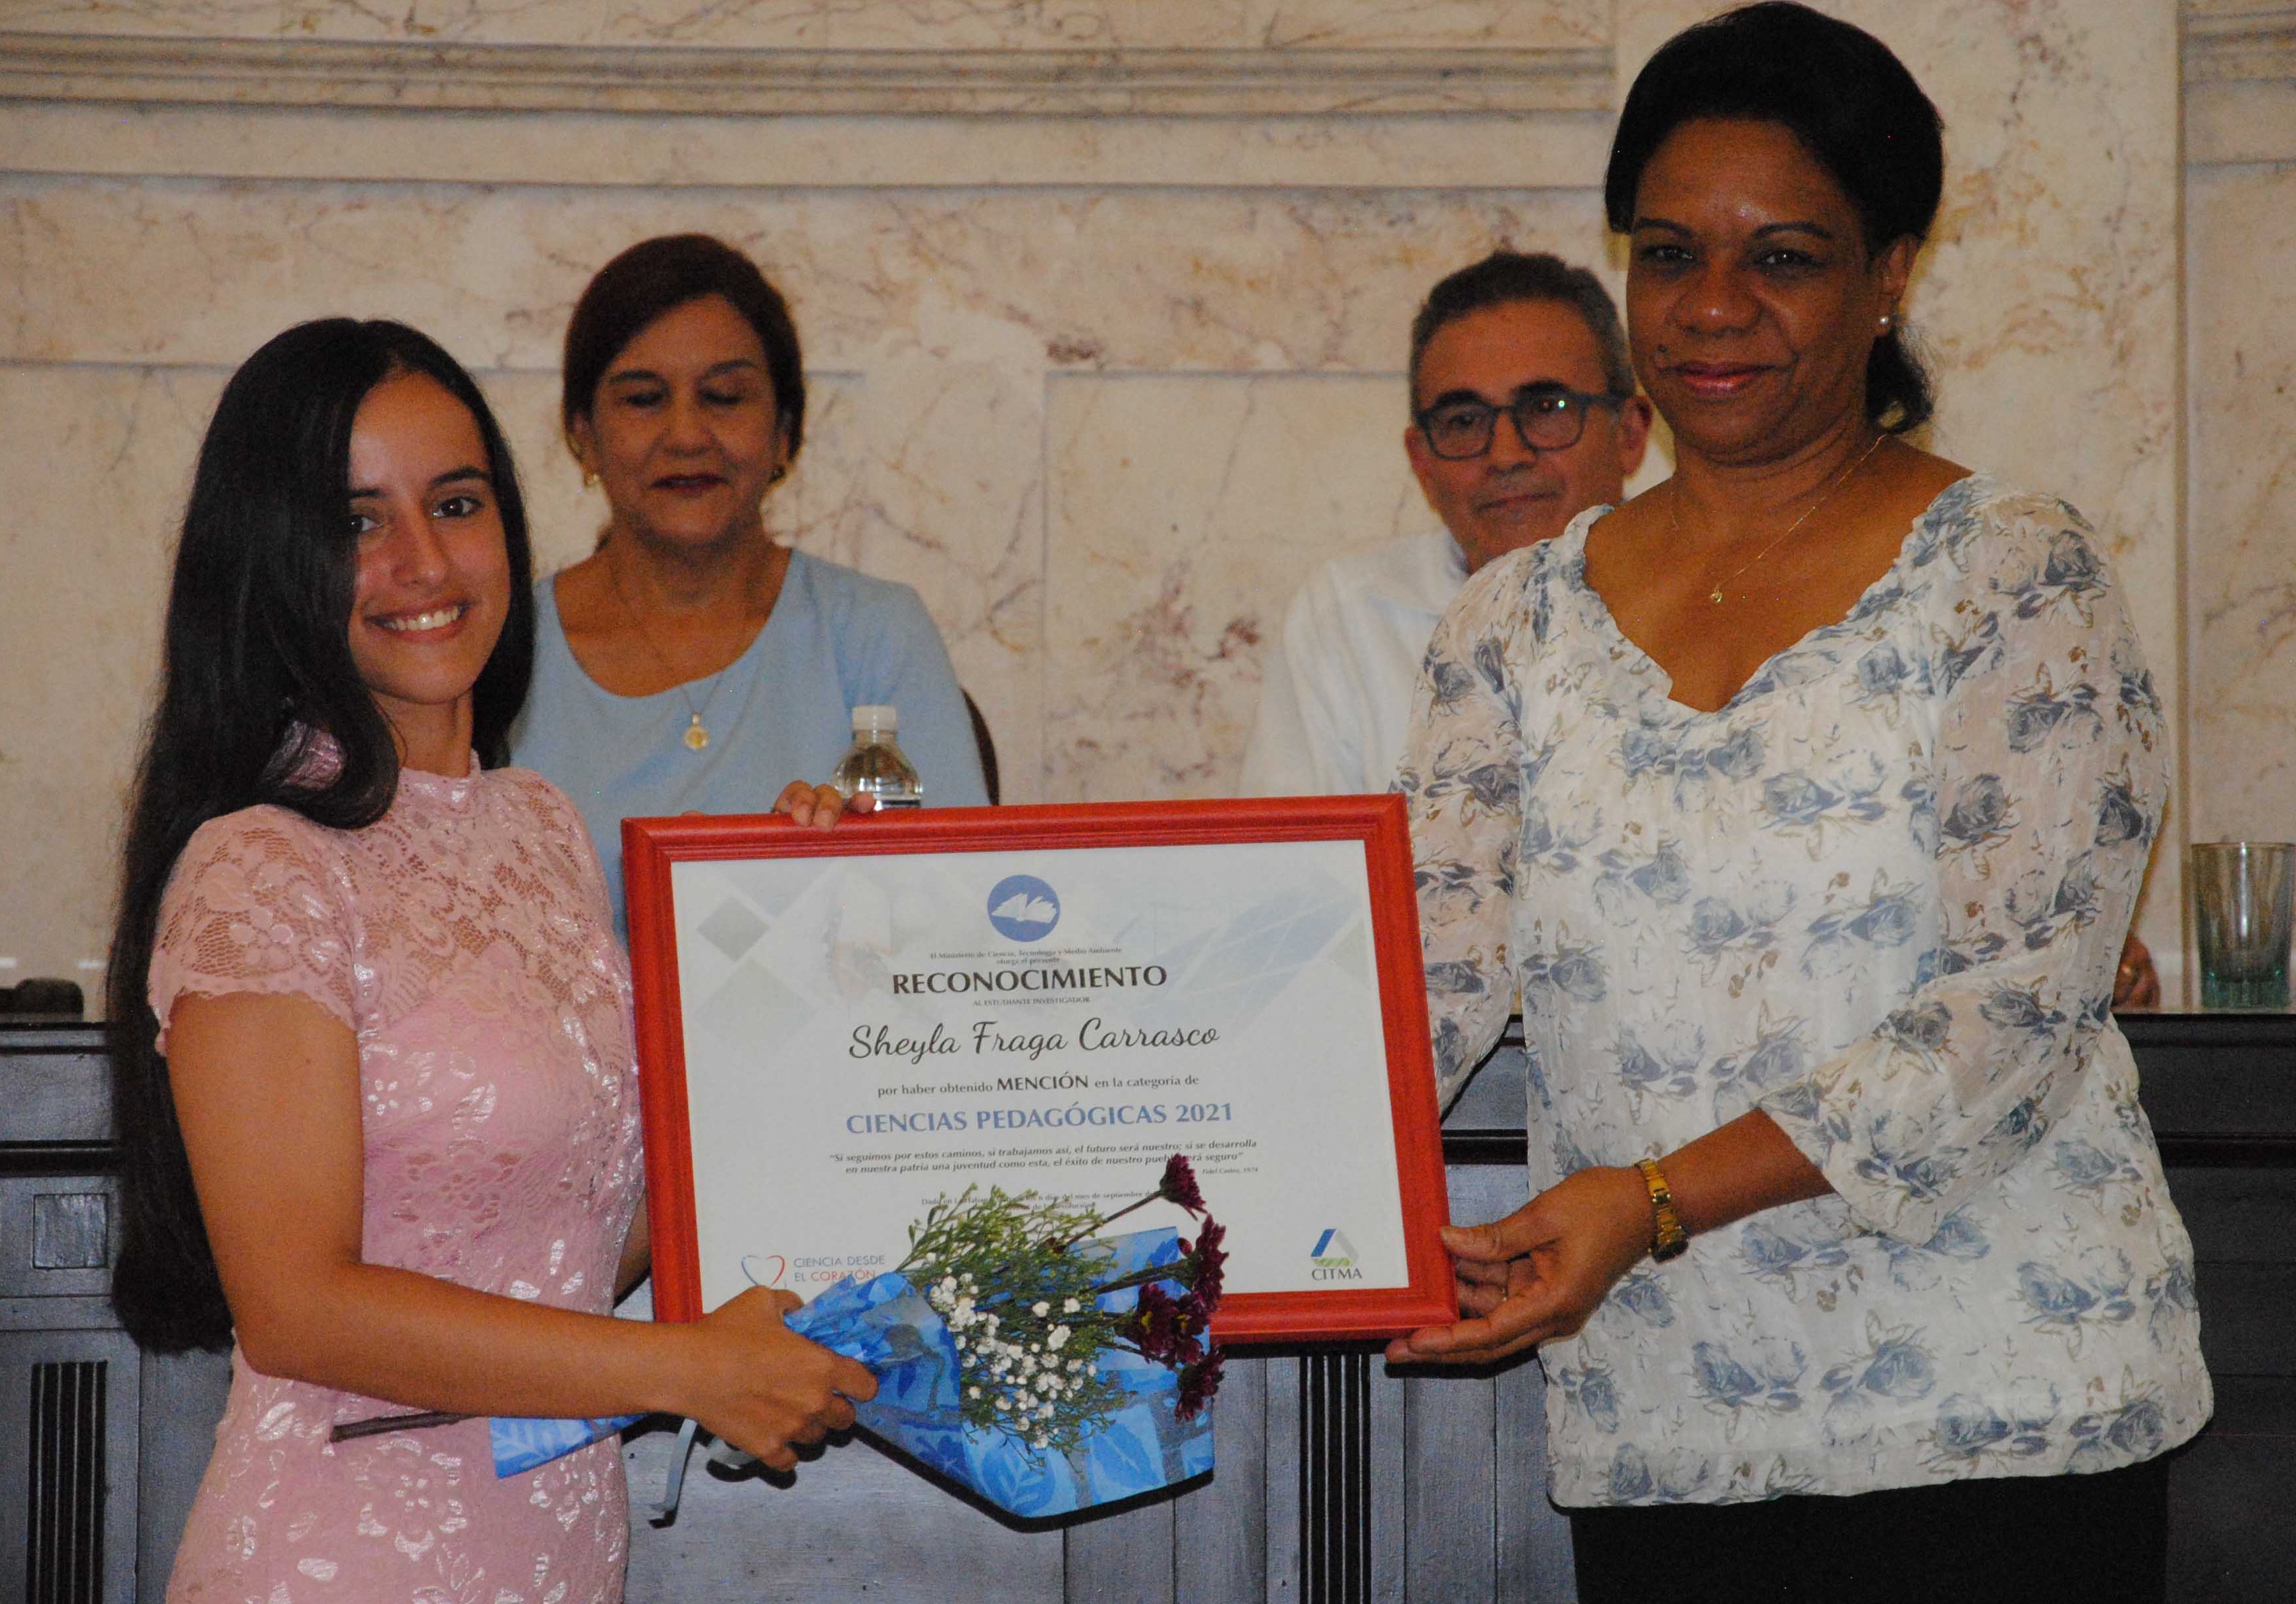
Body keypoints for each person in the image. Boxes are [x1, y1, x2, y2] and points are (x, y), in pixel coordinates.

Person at [1384, 7, 2207, 1601]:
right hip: (1666, 1412)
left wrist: (1646, 1198)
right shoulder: (1505, 624)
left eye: (1782, 258)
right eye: (1666, 249)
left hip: (1998, 1406)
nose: (1708, 308)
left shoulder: (2009, 573)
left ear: (1887, 269)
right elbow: (1417, 977)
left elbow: (2010, 1006)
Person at [106, 319, 875, 1601]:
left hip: (559, 1554)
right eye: (356, 521)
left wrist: (809, 944)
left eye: (455, 502)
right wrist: (683, 1366)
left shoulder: (542, 826)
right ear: (272, 559)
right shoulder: (260, 863)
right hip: (337, 1559)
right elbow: (300, 1303)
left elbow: (583, 1234)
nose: (420, 561)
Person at [511, 235, 988, 933]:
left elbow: (962, 912)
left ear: (785, 433)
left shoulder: (875, 634)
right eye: (644, 399)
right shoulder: (502, 647)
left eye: (724, 397)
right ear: (581, 433)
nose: (686, 434)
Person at [1239, 251, 1652, 797]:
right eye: (1464, 421)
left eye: (1546, 408)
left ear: (1628, 433)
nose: (1506, 455)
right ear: (1421, 461)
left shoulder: (1721, 601)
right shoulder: (1351, 618)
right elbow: (1288, 869)